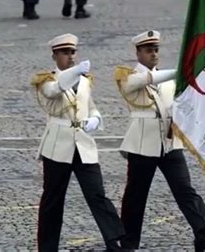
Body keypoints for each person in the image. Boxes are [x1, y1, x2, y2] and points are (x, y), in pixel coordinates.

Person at [113, 30, 205, 251]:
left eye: (156, 50)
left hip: (169, 142)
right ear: (138, 53)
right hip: (143, 143)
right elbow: (139, 82)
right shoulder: (129, 76)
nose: (153, 54)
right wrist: (177, 72)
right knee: (136, 196)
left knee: (184, 188)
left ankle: (202, 231)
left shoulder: (169, 81)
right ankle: (128, 242)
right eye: (148, 50)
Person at [31, 34, 130, 252]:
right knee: (53, 200)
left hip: (83, 145)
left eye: (72, 52)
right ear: (54, 56)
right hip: (57, 147)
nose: (70, 57)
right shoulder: (47, 79)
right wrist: (75, 72)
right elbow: (54, 91)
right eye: (65, 53)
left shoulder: (84, 81)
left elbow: (91, 106)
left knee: (97, 194)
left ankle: (114, 241)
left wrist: (96, 119)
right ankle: (47, 248)